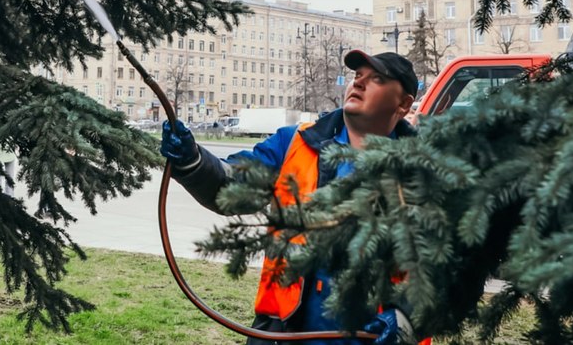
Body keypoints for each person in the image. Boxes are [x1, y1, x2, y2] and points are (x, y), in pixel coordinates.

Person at [161, 50, 425, 345]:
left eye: (376, 78)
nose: (358, 84)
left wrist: (405, 317)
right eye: (357, 76)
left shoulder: (428, 171)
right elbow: (232, 186)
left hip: (377, 338)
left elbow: (456, 265)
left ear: (403, 104)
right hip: (285, 334)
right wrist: (192, 160)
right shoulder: (294, 142)